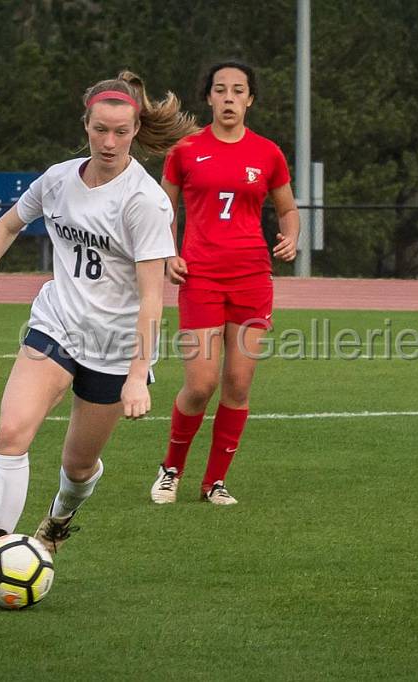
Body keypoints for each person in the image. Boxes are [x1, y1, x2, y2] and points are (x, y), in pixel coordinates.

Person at [0, 71, 198, 601]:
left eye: (122, 132)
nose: (109, 143)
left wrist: (137, 377)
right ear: (84, 124)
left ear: (135, 131)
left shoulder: (145, 202)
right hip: (56, 324)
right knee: (12, 433)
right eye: (100, 130)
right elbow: (10, 224)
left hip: (114, 347)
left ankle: (57, 523)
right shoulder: (59, 178)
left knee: (78, 465)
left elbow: (153, 297)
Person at [149, 60, 299, 506]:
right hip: (200, 278)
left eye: (238, 90)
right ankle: (170, 470)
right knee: (200, 383)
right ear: (209, 97)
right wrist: (167, 252)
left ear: (250, 99)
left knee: (237, 383)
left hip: (253, 279)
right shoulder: (186, 150)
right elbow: (162, 208)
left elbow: (288, 209)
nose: (229, 97)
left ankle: (214, 481)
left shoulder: (268, 153)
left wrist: (290, 236)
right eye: (220, 90)